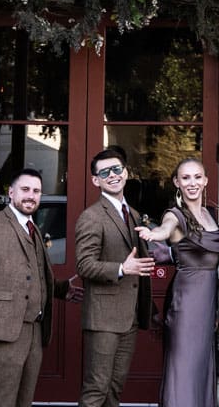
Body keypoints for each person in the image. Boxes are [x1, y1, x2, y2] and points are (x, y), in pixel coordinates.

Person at [0, 168, 77, 407]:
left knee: (24, 401)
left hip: (34, 329)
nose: (31, 196)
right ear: (11, 192)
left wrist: (63, 289)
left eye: (36, 191)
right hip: (3, 329)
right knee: (1, 401)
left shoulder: (33, 228)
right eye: (25, 189)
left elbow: (33, 276)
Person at [135, 157, 219, 407]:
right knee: (182, 368)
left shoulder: (210, 213)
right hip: (185, 304)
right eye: (185, 178)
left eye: (197, 177)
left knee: (201, 366)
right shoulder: (174, 214)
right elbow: (166, 228)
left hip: (207, 304)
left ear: (206, 180)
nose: (192, 183)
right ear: (177, 182)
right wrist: (156, 234)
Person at [74, 146, 155, 407]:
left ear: (126, 173)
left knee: (114, 390)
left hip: (129, 317)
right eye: (105, 172)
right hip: (103, 320)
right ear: (95, 180)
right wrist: (121, 268)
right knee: (96, 389)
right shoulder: (91, 217)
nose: (113, 175)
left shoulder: (133, 215)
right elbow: (85, 265)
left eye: (117, 169)